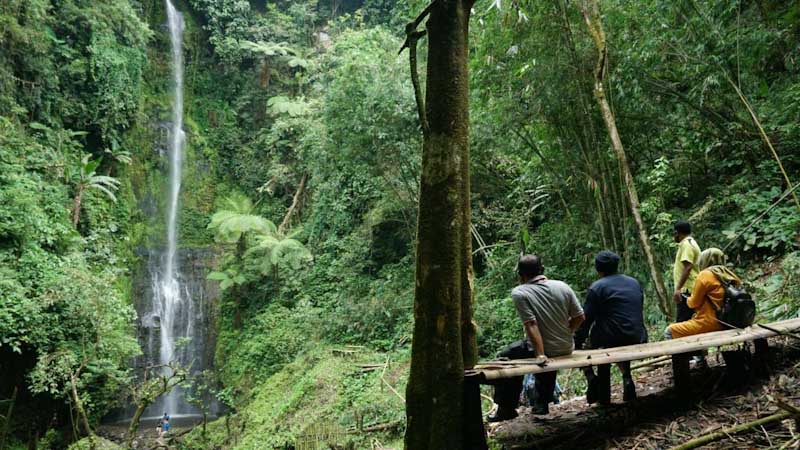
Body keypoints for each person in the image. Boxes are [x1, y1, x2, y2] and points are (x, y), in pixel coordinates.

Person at [487, 254, 585, 421]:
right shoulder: (562, 286)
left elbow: (531, 324)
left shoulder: (520, 292)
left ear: (520, 274)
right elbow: (580, 316)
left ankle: (506, 408)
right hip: (567, 345)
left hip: (545, 348)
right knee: (539, 351)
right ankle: (541, 404)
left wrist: (540, 353)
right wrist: (567, 332)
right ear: (543, 269)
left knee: (506, 357)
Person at [574, 251, 648, 404]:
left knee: (591, 345)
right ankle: (627, 377)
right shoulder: (633, 282)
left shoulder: (597, 287)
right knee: (618, 334)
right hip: (637, 335)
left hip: (609, 339)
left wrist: (577, 342)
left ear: (597, 268)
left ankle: (591, 378)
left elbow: (586, 320)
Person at [666, 248, 742, 339]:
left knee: (670, 331)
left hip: (710, 322)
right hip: (730, 321)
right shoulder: (729, 274)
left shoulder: (705, 275)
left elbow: (693, 303)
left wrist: (687, 299)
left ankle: (690, 353)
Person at [672, 220, 701, 322]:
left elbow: (688, 267)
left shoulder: (686, 245)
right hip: (690, 289)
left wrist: (678, 289)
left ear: (677, 233)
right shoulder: (690, 242)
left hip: (687, 290)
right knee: (690, 320)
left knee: (682, 322)